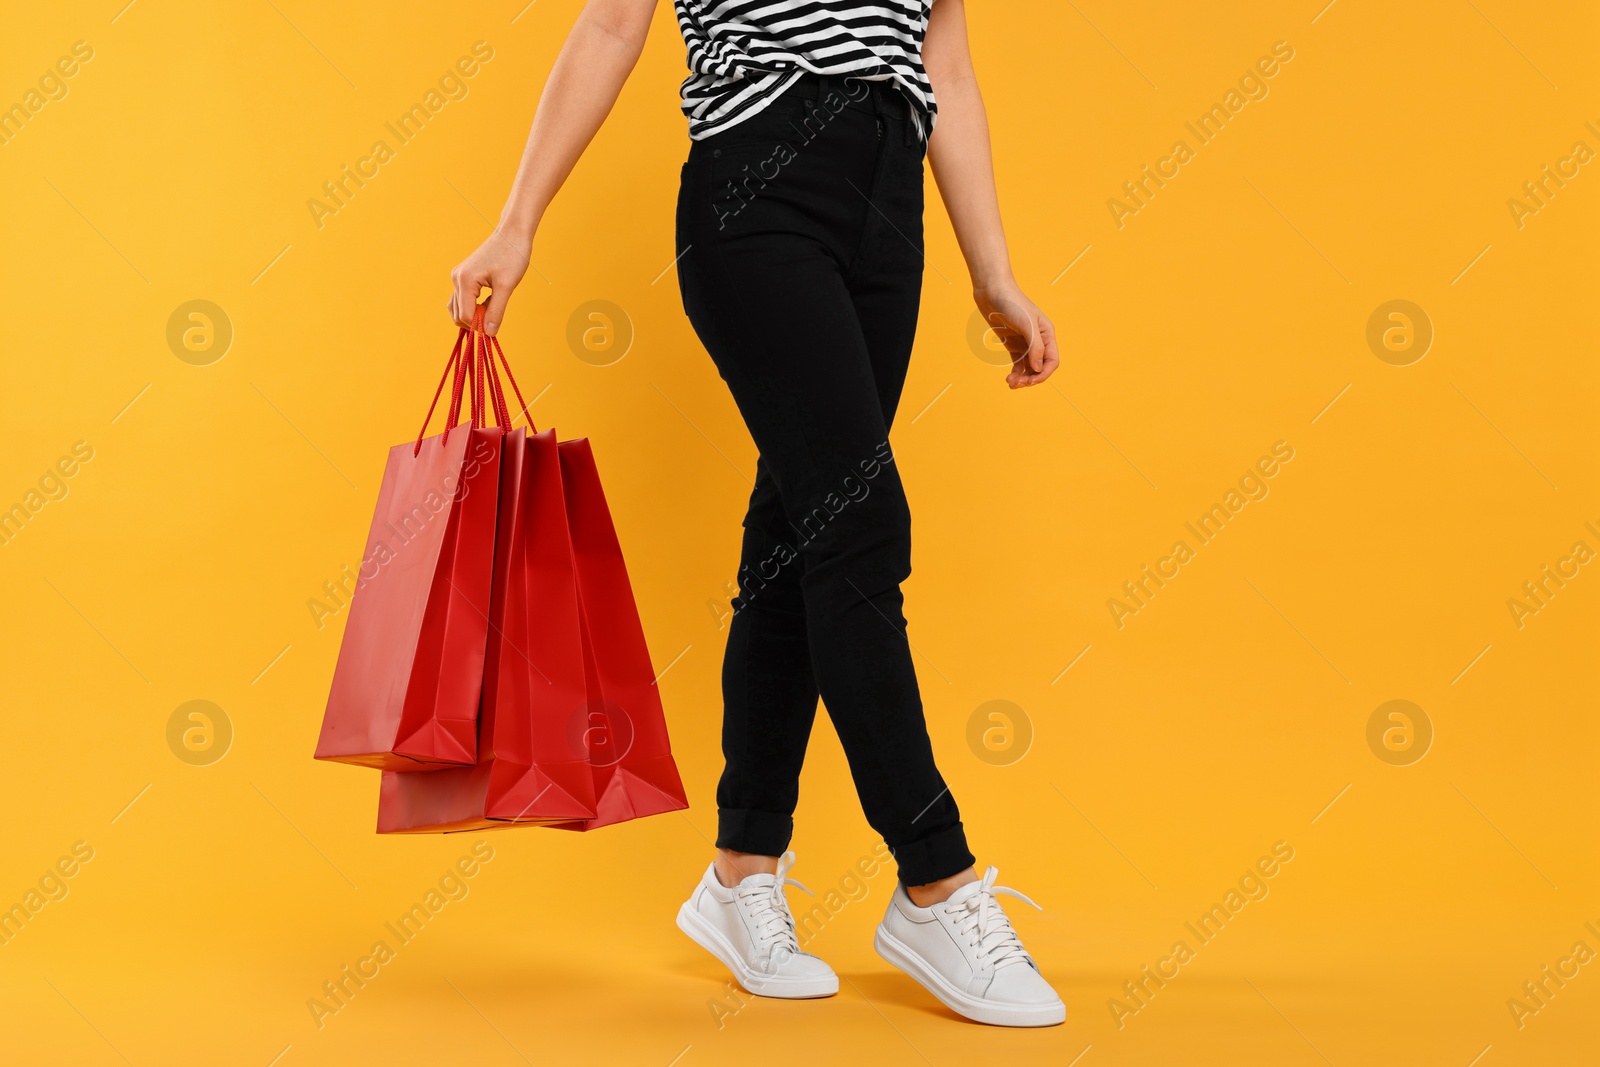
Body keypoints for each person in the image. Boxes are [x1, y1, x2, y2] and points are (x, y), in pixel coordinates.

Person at [449, 0, 1064, 1027]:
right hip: (758, 184)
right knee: (862, 525)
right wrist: (517, 222)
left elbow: (941, 61)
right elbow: (610, 25)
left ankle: (740, 874)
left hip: (888, 199)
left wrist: (991, 272)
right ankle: (935, 879)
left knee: (804, 528)